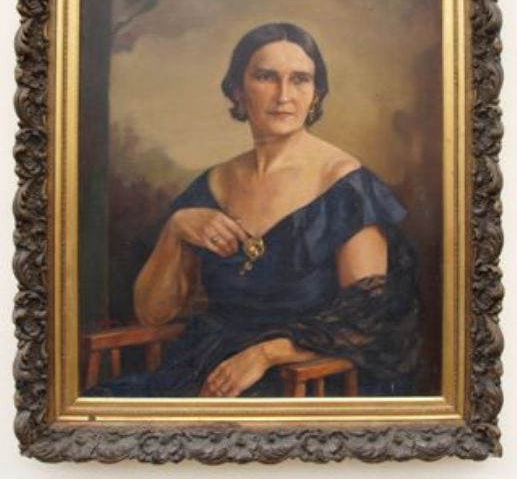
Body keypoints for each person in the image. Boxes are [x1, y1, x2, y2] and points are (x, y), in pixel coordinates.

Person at [86, 22, 421, 398]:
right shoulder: (213, 183)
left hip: (304, 383)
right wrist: (175, 230)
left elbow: (367, 323)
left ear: (316, 94)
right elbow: (152, 314)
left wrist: (265, 354)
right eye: (266, 77)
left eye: (300, 80)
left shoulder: (348, 187)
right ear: (237, 90)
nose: (284, 95)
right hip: (205, 369)